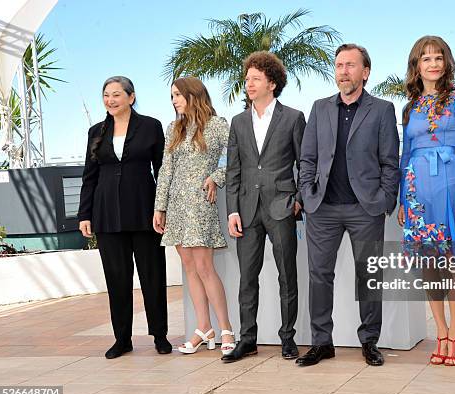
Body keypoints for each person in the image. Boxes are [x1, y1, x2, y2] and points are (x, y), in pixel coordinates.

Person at [297, 44, 400, 367]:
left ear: (365, 72)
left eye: (350, 65)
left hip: (365, 208)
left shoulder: (382, 110)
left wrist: (384, 199)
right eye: (339, 65)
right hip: (322, 208)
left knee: (368, 276)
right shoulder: (319, 108)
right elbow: (308, 157)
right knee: (319, 276)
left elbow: (389, 162)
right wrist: (307, 193)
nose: (343, 71)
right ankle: (321, 342)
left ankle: (369, 341)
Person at [78, 76, 171, 359]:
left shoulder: (151, 126)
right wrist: (85, 214)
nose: (110, 100)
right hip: (106, 215)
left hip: (144, 212)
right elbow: (89, 176)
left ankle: (160, 335)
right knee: (117, 279)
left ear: (131, 97)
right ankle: (122, 339)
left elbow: (162, 170)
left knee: (152, 275)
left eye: (117, 94)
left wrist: (162, 207)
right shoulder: (96, 131)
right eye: (106, 95)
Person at [222, 51, 306, 363]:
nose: (249, 84)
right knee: (247, 278)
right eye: (247, 80)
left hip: (281, 207)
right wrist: (232, 210)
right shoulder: (238, 122)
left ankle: (288, 338)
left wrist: (298, 199)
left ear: (272, 83)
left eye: (255, 79)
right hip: (245, 210)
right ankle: (248, 339)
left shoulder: (293, 118)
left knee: (287, 275)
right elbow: (234, 170)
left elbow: (305, 163)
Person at [398, 35, 455, 366]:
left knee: (452, 263)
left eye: (438, 58)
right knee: (428, 264)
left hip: (448, 183)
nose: (432, 63)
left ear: (446, 63)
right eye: (425, 58)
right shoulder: (410, 107)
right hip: (417, 190)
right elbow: (405, 155)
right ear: (417, 66)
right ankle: (441, 332)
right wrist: (403, 199)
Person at [153, 77, 235, 356]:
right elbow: (165, 169)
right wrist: (159, 207)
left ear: (193, 95)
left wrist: (216, 176)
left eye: (178, 94)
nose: (174, 100)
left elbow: (232, 157)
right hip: (176, 206)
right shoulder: (174, 129)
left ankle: (226, 329)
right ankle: (203, 328)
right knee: (189, 269)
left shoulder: (217, 125)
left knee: (204, 268)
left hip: (200, 204)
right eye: (172, 96)